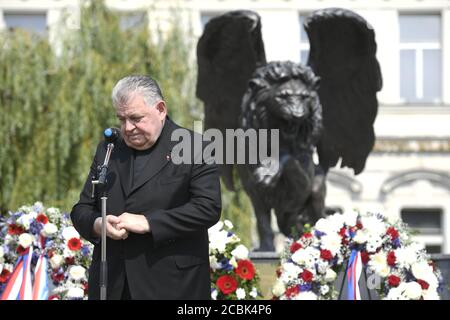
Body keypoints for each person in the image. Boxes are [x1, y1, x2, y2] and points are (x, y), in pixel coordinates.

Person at [70, 75, 222, 300]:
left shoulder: (195, 147)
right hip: (112, 285)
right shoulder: (109, 149)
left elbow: (207, 208)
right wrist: (98, 224)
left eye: (135, 118)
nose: (128, 128)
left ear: (160, 109)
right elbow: (82, 208)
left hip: (172, 286)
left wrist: (149, 222)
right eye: (121, 119)